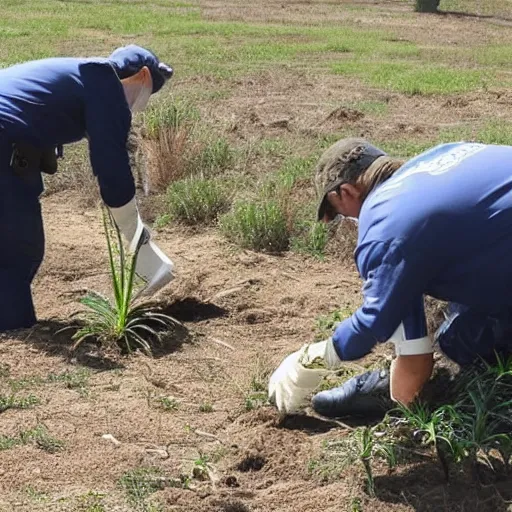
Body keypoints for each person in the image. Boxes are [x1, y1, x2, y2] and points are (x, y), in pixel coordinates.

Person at [269, 137, 512, 417]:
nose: (346, 221)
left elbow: (374, 323)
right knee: (465, 315)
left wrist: (315, 358)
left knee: (461, 341)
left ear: (346, 192)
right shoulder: (437, 156)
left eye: (337, 213)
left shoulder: (385, 224)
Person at [0, 45, 175, 332]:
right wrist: (134, 232)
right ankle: (11, 326)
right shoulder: (106, 85)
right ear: (142, 75)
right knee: (18, 248)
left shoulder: (77, 72)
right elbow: (111, 165)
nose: (136, 107)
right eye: (145, 97)